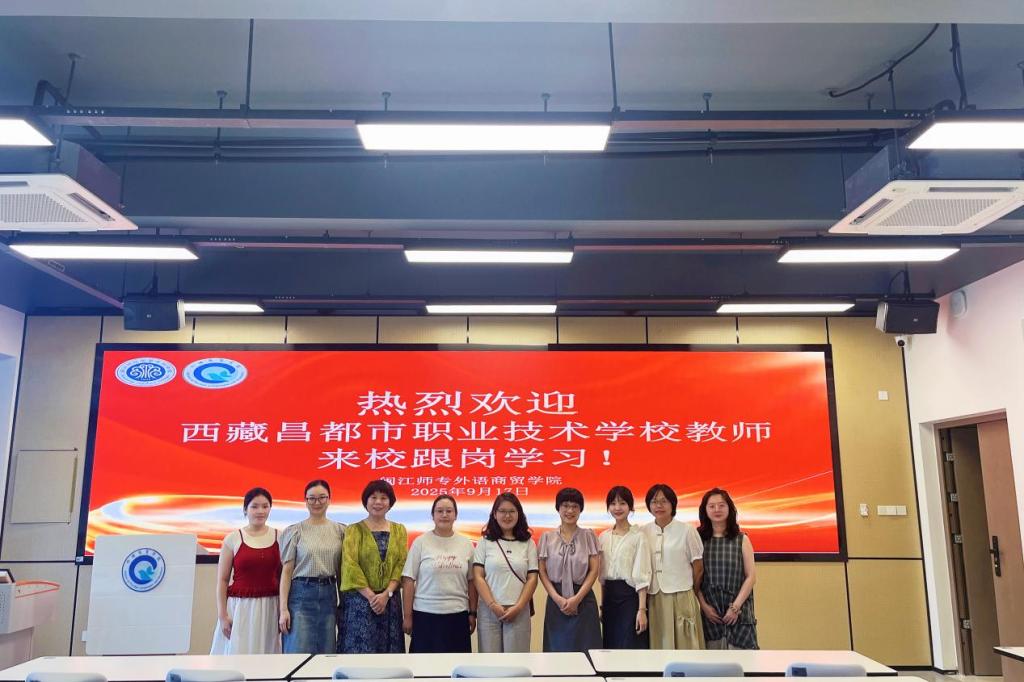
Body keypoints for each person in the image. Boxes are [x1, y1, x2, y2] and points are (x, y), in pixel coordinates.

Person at [401, 495, 478, 652]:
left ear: (455, 515)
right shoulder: (420, 542)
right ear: (433, 515)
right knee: (424, 665)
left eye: (449, 511)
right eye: (439, 511)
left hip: (457, 615)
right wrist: (407, 616)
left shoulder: (466, 544)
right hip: (425, 615)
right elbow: (408, 579)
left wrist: (472, 613)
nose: (444, 515)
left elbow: (472, 581)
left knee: (456, 664)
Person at [340, 479, 408, 653]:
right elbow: (350, 565)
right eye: (373, 497)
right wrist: (372, 597)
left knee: (389, 656)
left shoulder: (400, 530)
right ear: (366, 501)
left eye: (383, 498)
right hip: (360, 602)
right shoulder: (353, 530)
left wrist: (386, 594)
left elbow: (401, 564)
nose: (378, 502)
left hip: (390, 602)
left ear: (390, 502)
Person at [211, 487, 282, 654]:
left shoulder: (280, 536)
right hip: (240, 609)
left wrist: (283, 609)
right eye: (254, 506)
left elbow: (283, 577)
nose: (260, 511)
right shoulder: (233, 538)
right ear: (245, 509)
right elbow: (222, 580)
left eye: (265, 506)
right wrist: (222, 616)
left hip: (271, 608)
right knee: (238, 655)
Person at [279, 479, 345, 654]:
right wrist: (283, 609)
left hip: (329, 594)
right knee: (297, 650)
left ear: (329, 499)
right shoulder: (295, 531)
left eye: (322, 497)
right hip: (301, 595)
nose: (317, 502)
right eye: (312, 498)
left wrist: (343, 604)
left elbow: (341, 572)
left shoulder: (340, 531)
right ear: (305, 500)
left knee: (326, 652)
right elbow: (286, 572)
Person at [641, 483, 705, 649]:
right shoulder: (643, 531)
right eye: (654, 502)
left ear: (673, 504)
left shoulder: (687, 530)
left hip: (681, 595)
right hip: (654, 596)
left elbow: (698, 568)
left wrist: (691, 591)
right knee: (660, 644)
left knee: (685, 645)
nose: (659, 506)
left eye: (664, 501)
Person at [537, 487, 602, 653]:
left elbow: (594, 570)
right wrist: (557, 598)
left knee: (586, 650)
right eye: (565, 505)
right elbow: (542, 571)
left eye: (575, 506)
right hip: (556, 601)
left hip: (583, 599)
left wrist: (577, 599)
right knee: (557, 650)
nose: (570, 510)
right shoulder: (547, 537)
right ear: (558, 508)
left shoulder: (589, 536)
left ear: (581, 509)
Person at [472, 492, 539, 653]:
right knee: (490, 663)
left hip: (518, 611)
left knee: (516, 662)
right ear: (494, 514)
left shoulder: (528, 543)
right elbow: (478, 576)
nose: (507, 516)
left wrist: (519, 607)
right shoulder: (485, 542)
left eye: (512, 511)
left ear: (519, 514)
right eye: (502, 511)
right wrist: (493, 605)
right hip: (489, 611)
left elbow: (532, 578)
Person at [695, 488, 758, 650]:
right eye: (712, 506)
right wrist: (704, 606)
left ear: (730, 508)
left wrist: (735, 607)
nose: (717, 509)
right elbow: (694, 579)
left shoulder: (742, 539)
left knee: (742, 661)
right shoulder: (698, 540)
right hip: (711, 614)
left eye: (721, 505)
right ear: (704, 510)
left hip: (738, 611)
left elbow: (750, 577)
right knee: (712, 662)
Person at [598, 485, 651, 649]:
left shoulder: (639, 536)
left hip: (630, 598)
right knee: (610, 646)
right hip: (609, 599)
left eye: (622, 503)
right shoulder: (603, 537)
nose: (617, 508)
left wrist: (642, 610)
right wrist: (602, 605)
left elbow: (642, 575)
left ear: (630, 507)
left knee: (630, 645)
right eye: (613, 504)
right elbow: (602, 578)